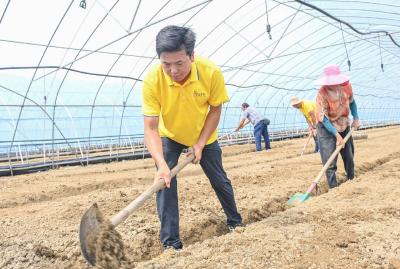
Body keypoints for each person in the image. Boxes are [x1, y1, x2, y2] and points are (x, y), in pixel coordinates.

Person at [142, 25, 243, 251]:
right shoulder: (152, 80)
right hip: (171, 135)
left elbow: (215, 110)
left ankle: (235, 222)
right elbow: (150, 127)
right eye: (166, 64)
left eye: (179, 63)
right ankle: (171, 243)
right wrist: (161, 164)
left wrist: (199, 143)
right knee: (164, 182)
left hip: (203, 135)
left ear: (192, 56)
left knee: (219, 179)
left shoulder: (211, 73)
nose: (173, 70)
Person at [314, 64, 360, 188]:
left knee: (349, 155)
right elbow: (323, 117)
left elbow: (352, 102)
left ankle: (351, 179)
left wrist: (356, 118)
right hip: (326, 126)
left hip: (343, 123)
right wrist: (336, 135)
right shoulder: (322, 94)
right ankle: (333, 187)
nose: (335, 84)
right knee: (329, 159)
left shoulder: (347, 87)